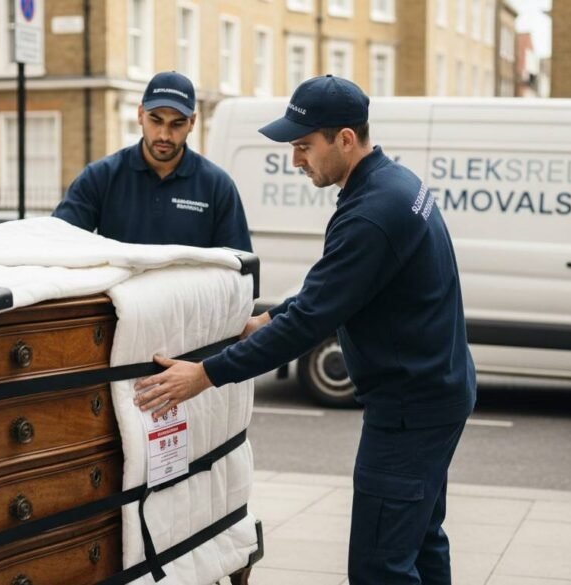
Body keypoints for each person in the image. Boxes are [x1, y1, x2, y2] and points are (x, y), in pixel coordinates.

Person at [132, 75, 476, 584]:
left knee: (380, 564)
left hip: (409, 409)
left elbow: (313, 319)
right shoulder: (394, 185)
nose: (295, 160)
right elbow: (339, 287)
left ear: (344, 139)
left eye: (303, 146)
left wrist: (203, 376)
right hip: (437, 391)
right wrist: (267, 319)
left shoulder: (371, 213)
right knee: (421, 540)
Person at [52, 71, 252, 251]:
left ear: (192, 122)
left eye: (177, 123)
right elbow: (58, 243)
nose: (164, 135)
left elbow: (238, 269)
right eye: (156, 120)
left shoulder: (217, 186)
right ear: (140, 115)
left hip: (188, 293)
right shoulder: (101, 177)